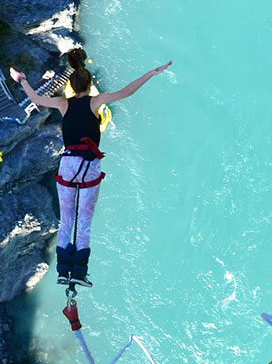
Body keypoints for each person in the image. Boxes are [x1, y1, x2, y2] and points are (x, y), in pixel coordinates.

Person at [10, 49, 172, 287]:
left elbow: (35, 99)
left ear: (71, 87)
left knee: (66, 221)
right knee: (83, 221)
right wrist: (152, 72)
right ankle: (78, 271)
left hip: (67, 165)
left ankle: (63, 270)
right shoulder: (96, 101)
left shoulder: (62, 103)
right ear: (89, 84)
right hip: (89, 168)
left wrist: (22, 79)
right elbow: (127, 92)